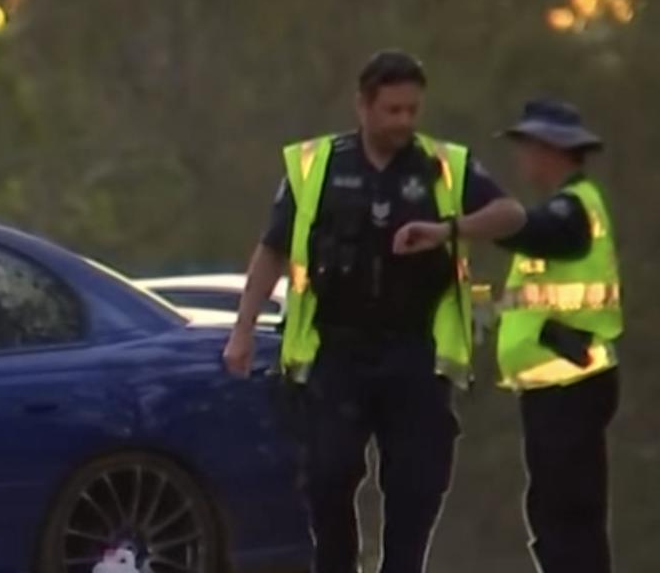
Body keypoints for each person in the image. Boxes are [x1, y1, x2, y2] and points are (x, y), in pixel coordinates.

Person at [223, 50, 526, 573]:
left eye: (412, 110)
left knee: (417, 480)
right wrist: (242, 330)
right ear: (363, 106)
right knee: (327, 473)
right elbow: (272, 248)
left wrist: (446, 230)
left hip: (414, 350)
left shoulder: (443, 166)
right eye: (392, 110)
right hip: (337, 350)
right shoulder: (317, 166)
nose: (404, 122)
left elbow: (511, 213)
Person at [493, 100, 621, 573]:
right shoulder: (568, 206)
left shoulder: (571, 210)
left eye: (527, 148)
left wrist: (481, 218)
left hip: (570, 383)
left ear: (551, 151)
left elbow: (538, 233)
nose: (522, 160)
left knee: (566, 518)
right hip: (560, 383)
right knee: (557, 514)